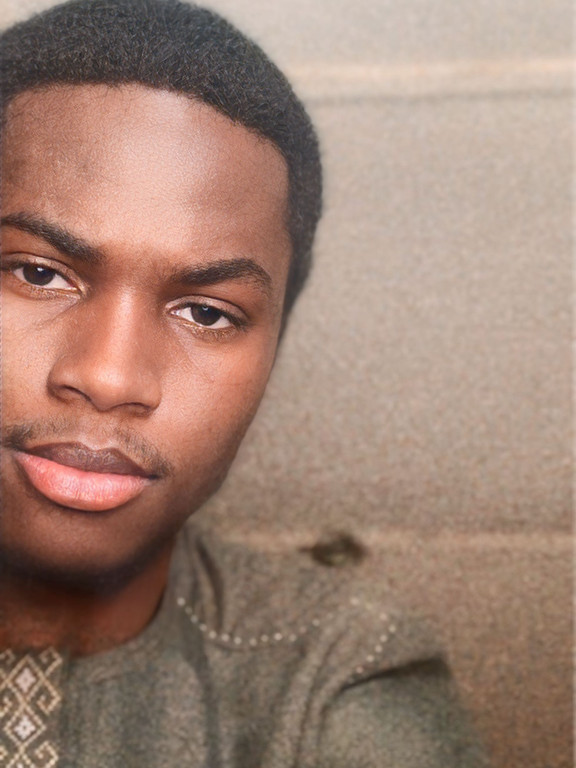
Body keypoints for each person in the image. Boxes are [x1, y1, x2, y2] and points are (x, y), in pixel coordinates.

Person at [0, 1, 490, 765]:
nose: (109, 376)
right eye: (38, 273)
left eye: (207, 312)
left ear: (274, 350)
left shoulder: (330, 681)